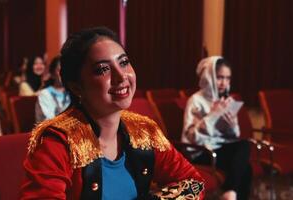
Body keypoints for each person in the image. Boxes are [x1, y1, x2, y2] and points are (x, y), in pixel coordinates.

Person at [20, 27, 205, 199]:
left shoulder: (144, 131)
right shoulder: (57, 142)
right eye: (103, 69)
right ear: (76, 86)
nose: (121, 76)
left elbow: (194, 183)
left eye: (124, 62)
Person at [181, 56, 252, 200]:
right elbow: (191, 138)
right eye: (220, 77)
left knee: (245, 156)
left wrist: (232, 125)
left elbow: (234, 135)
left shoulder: (225, 100)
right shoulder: (195, 100)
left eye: (227, 78)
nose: (224, 83)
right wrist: (213, 115)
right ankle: (229, 193)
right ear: (209, 76)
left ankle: (229, 193)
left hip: (219, 148)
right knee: (245, 168)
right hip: (201, 152)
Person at [35, 56, 71, 122]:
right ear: (52, 74)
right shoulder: (45, 94)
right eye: (59, 70)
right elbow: (49, 120)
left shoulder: (72, 91)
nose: (63, 73)